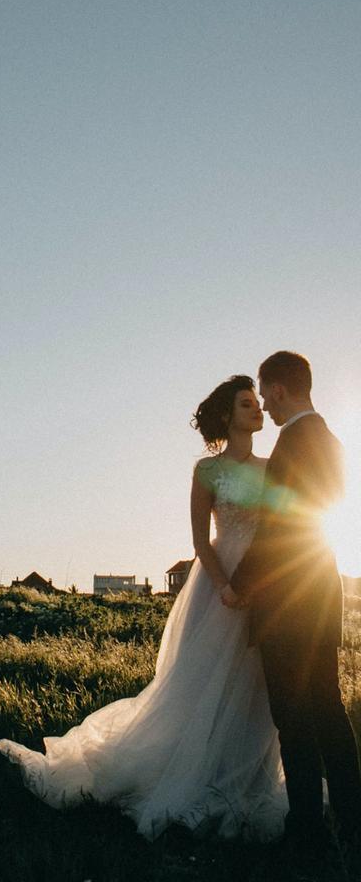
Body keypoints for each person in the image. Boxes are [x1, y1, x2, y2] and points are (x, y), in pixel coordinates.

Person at [0, 375, 287, 840]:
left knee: (256, 686)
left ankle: (243, 778)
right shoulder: (206, 471)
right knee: (201, 687)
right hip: (219, 588)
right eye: (247, 403)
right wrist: (223, 587)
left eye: (258, 402)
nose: (257, 409)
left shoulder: (274, 467)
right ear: (227, 415)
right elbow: (199, 540)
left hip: (265, 581)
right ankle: (190, 775)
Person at [230, 351, 361, 849]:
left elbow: (277, 528)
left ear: (280, 389)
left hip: (289, 601)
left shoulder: (290, 442)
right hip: (322, 592)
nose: (266, 404)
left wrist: (240, 583)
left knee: (292, 718)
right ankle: (350, 819)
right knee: (328, 708)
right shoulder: (332, 441)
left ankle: (305, 828)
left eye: (265, 394)